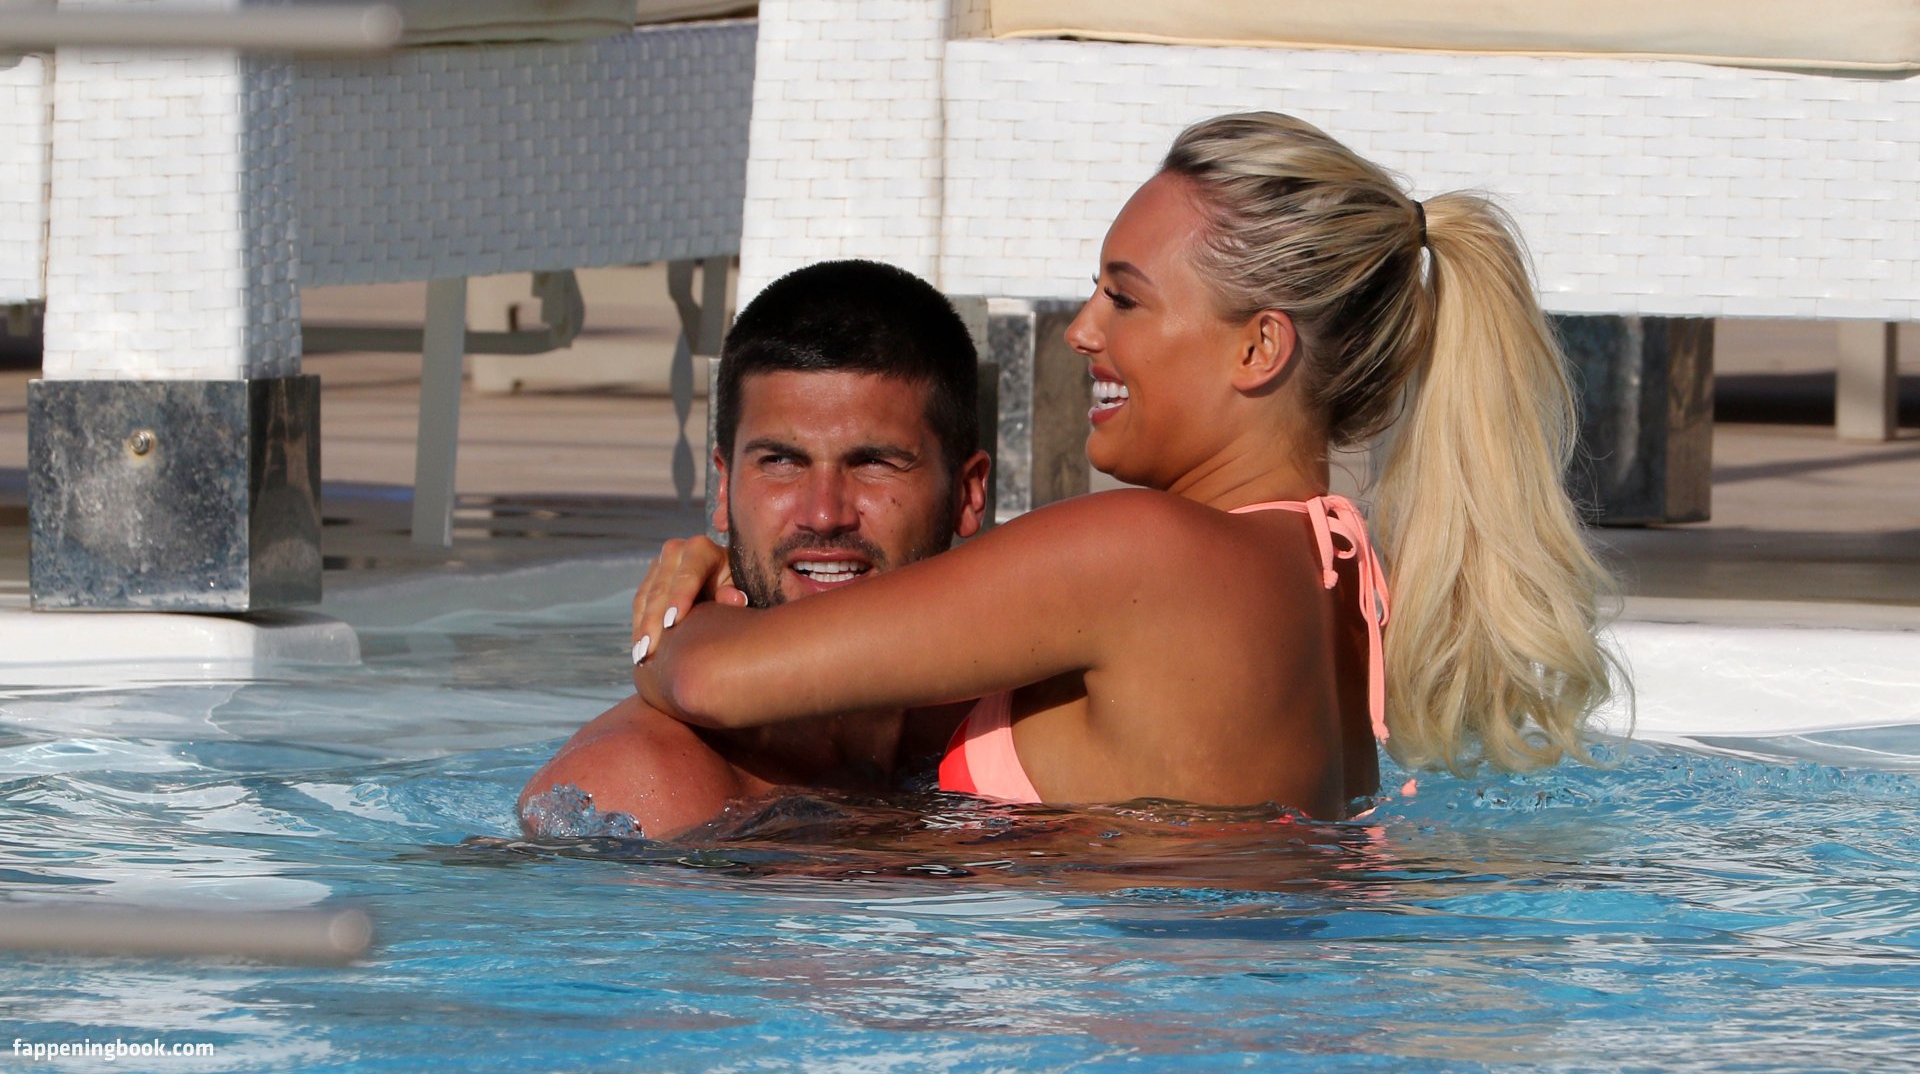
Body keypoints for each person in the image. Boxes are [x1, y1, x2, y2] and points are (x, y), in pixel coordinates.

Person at [629, 112, 1622, 820]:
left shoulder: (1141, 552)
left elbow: (711, 679)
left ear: (1258, 347)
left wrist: (685, 608)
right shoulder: (1344, 570)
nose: (1082, 331)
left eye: (1125, 298)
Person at [518, 260, 991, 838]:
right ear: (723, 488)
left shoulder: (1011, 716)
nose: (824, 515)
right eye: (781, 461)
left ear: (968, 493)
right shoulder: (643, 787)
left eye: (874, 462)